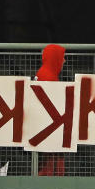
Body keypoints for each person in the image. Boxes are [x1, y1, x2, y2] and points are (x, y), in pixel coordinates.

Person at [34, 44, 66, 176]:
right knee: (50, 166)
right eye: (62, 57)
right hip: (49, 130)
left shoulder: (44, 73)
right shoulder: (49, 77)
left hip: (45, 128)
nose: (64, 61)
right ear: (55, 58)